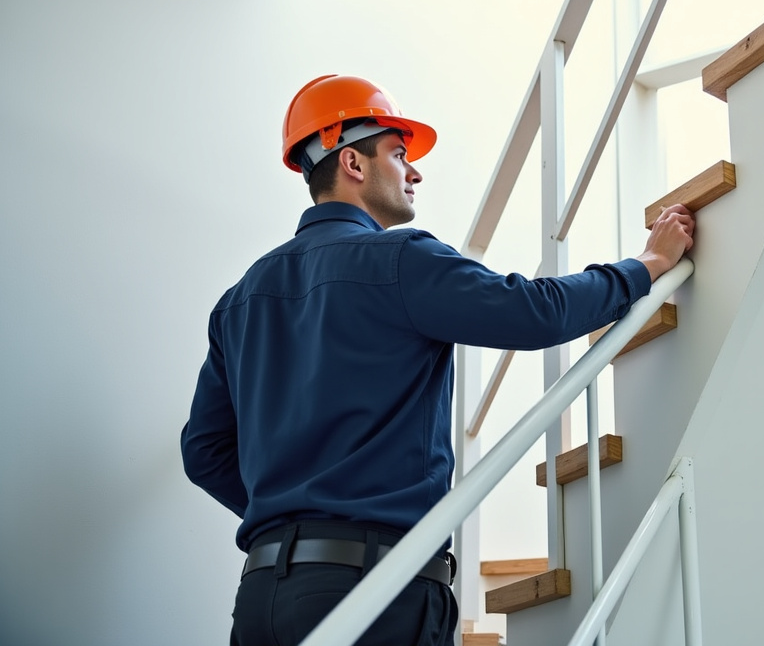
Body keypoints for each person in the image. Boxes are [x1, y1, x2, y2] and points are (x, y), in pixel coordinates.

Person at [181, 75, 695, 646]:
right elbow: (534, 312)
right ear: (352, 162)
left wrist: (291, 522)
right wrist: (645, 265)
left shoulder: (240, 299)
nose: (415, 172)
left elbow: (203, 453)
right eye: (399, 154)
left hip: (263, 598)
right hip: (377, 588)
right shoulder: (400, 259)